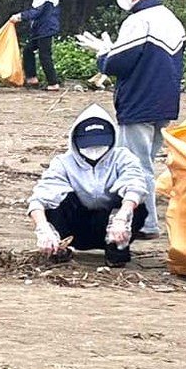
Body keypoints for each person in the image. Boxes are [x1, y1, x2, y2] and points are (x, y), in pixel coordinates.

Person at [80, 0, 185, 238]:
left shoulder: (140, 20)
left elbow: (118, 63)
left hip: (140, 102)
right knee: (146, 161)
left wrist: (103, 53)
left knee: (136, 166)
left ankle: (146, 223)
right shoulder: (170, 19)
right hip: (164, 102)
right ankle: (140, 217)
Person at [27, 105, 150, 266]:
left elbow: (135, 185)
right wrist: (42, 228)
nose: (94, 150)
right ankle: (58, 247)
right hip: (76, 225)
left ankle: (116, 250)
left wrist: (122, 216)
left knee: (138, 206)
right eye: (88, 145)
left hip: (111, 226)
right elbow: (39, 199)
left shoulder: (124, 158)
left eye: (100, 144)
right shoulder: (63, 163)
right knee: (55, 202)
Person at [13, 0, 62, 91]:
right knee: (28, 50)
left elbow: (38, 11)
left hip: (45, 28)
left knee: (45, 55)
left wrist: (20, 16)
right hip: (40, 29)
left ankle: (53, 83)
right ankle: (32, 78)